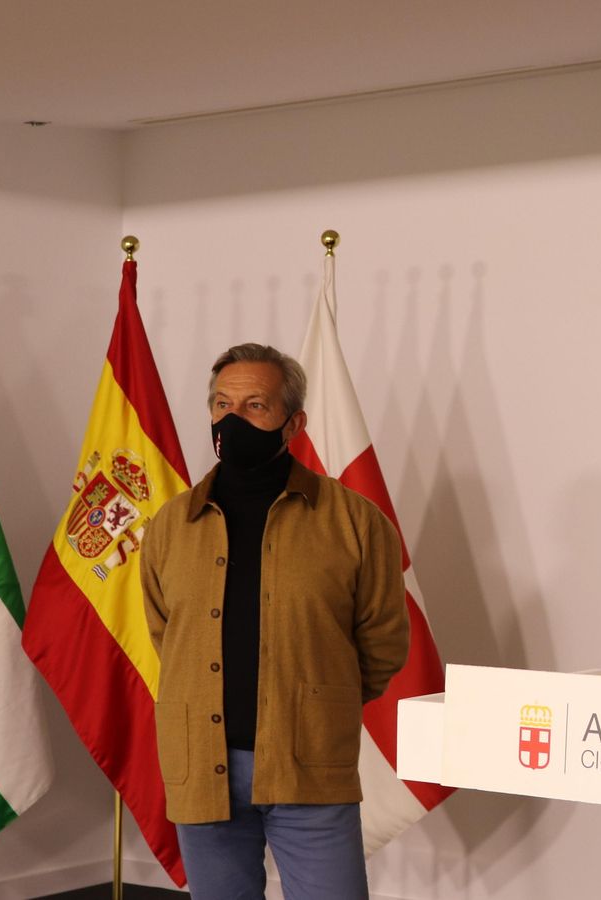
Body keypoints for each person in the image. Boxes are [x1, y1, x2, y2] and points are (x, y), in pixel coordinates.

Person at [142, 343, 409, 900]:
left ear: (294, 423)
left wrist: (318, 703)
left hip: (310, 768)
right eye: (222, 404)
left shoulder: (357, 523)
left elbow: (382, 644)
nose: (233, 419)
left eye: (255, 406)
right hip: (202, 768)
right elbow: (166, 633)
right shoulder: (170, 525)